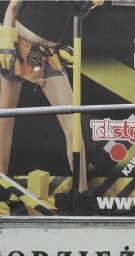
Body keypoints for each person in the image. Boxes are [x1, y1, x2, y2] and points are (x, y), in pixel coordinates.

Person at [0, 1, 102, 196]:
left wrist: (88, 4)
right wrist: (6, 43)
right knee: (5, 122)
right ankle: (0, 186)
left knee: (73, 126)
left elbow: (74, 11)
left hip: (47, 57)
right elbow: (12, 8)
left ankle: (80, 194)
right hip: (18, 46)